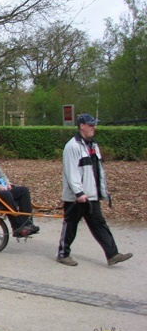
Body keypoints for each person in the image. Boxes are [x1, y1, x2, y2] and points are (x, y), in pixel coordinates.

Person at [57, 114, 133, 267]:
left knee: (100, 224)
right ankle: (63, 254)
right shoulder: (72, 146)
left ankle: (112, 254)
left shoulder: (93, 145)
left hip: (91, 195)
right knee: (70, 225)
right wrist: (78, 193)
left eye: (94, 125)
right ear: (82, 126)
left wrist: (101, 191)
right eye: (91, 125)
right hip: (76, 197)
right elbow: (72, 172)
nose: (94, 128)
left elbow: (97, 171)